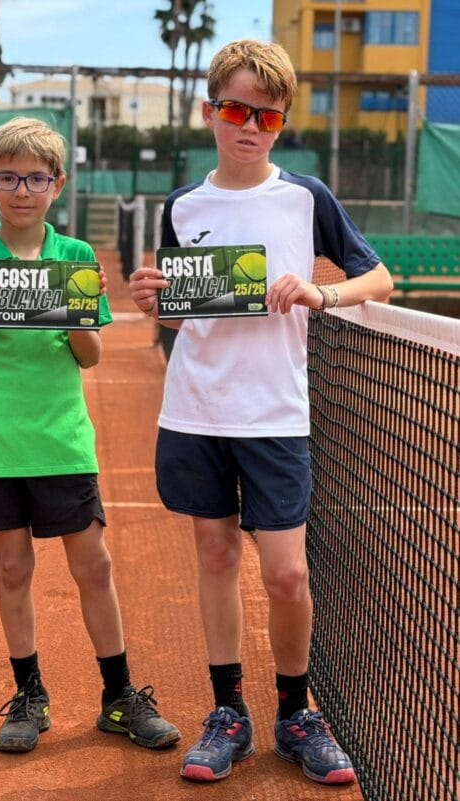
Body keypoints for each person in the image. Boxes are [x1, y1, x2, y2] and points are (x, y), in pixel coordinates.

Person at [129, 40, 393, 784]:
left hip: (276, 416)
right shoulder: (183, 205)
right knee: (214, 557)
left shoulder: (307, 198)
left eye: (267, 116)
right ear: (211, 110)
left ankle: (296, 712)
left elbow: (378, 275)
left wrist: (321, 293)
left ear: (281, 124)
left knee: (286, 577)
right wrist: (158, 304)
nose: (250, 126)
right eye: (237, 109)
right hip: (197, 411)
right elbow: (191, 317)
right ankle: (228, 714)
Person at [0, 116, 180, 755]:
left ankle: (119, 696)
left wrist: (84, 307)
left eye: (36, 178)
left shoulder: (75, 258)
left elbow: (90, 356)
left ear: (57, 184)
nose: (23, 190)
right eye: (9, 177)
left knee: (93, 566)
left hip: (63, 440)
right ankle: (30, 695)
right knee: (13, 567)